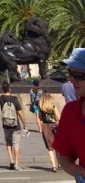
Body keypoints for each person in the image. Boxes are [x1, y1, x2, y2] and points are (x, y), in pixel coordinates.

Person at [53, 47, 85, 178]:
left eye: (78, 75)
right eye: (70, 74)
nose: (71, 79)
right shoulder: (70, 111)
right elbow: (64, 156)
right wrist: (78, 171)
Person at [0, 80, 30, 170]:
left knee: (8, 143)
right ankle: (17, 164)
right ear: (10, 89)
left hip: (6, 125)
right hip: (15, 125)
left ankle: (11, 160)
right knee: (16, 144)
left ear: (3, 89)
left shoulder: (1, 98)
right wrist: (25, 124)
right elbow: (20, 112)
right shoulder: (14, 99)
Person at [36, 91, 61, 172]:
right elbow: (59, 117)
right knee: (57, 146)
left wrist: (40, 127)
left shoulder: (41, 107)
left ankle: (53, 166)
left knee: (50, 147)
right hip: (54, 125)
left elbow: (39, 118)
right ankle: (59, 163)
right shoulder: (53, 106)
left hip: (45, 126)